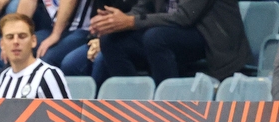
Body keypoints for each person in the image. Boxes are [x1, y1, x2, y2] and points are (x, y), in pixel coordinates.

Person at [92, 0, 250, 85]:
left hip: (211, 40)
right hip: (169, 33)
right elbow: (142, 8)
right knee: (111, 41)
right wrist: (113, 21)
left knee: (156, 38)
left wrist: (131, 21)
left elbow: (184, 17)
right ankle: (129, 102)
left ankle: (167, 106)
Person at [0, 13, 69, 99]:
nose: (15, 42)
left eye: (22, 36)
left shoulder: (48, 74)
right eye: (10, 37)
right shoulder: (4, 76)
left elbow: (64, 112)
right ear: (2, 44)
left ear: (33, 41)